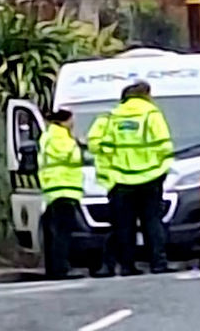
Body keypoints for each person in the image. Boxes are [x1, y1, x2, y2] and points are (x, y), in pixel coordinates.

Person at [91, 80, 176, 275]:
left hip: (121, 179)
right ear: (146, 94)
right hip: (150, 176)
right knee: (152, 223)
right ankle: (158, 263)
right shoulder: (151, 114)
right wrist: (162, 169)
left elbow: (101, 146)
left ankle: (127, 266)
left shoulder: (113, 116)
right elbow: (164, 145)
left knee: (124, 226)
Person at [38, 109, 85, 279]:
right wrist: (78, 146)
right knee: (63, 233)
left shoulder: (48, 136)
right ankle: (61, 269)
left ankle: (54, 268)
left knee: (55, 232)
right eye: (71, 120)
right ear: (64, 121)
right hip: (64, 189)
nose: (73, 124)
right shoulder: (61, 138)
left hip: (53, 189)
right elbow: (67, 157)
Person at [87, 113, 118, 278]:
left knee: (119, 226)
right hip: (126, 181)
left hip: (115, 182)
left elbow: (93, 144)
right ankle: (118, 264)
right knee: (121, 225)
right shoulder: (149, 115)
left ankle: (115, 265)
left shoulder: (106, 121)